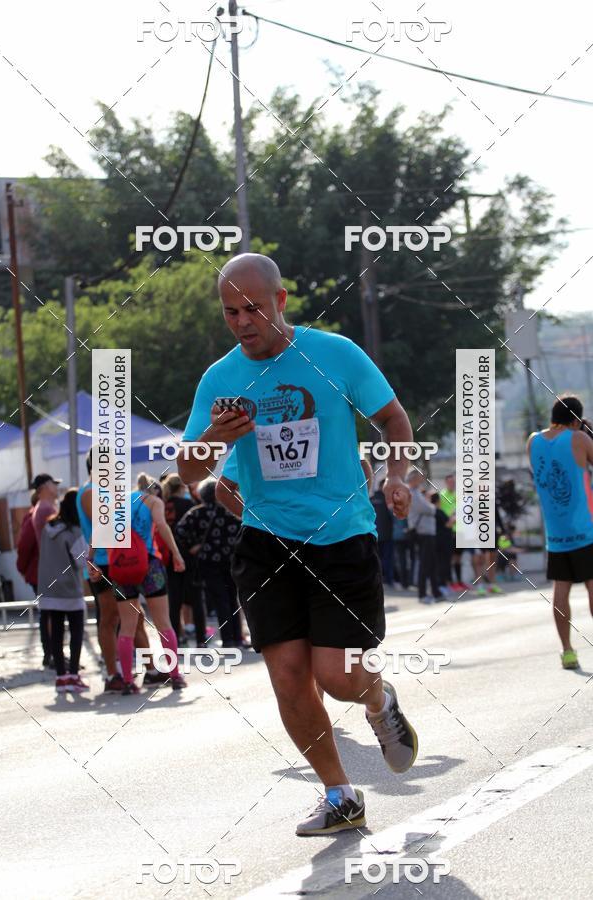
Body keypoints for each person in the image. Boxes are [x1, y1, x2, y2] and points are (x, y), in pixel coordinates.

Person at [178, 252, 418, 836]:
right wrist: (212, 439)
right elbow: (187, 472)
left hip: (340, 538)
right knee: (288, 676)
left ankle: (379, 699)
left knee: (337, 677)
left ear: (281, 301)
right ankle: (340, 794)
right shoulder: (220, 378)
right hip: (265, 542)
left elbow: (394, 421)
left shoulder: (335, 354)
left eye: (253, 309)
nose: (242, 322)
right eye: (231, 312)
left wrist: (396, 476)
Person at [78, 450, 159, 693]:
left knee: (136, 616)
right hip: (104, 563)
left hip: (120, 560)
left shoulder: (106, 491)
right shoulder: (90, 492)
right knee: (112, 617)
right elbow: (104, 524)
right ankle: (113, 674)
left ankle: (151, 670)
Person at [527, 394, 593, 670]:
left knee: (560, 591)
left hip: (556, 534)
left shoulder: (533, 441)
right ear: (576, 420)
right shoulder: (579, 439)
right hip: (585, 529)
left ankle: (567, 651)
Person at [111, 475, 187, 695]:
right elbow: (162, 526)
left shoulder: (120, 501)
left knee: (126, 627)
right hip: (149, 564)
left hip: (122, 565)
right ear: (156, 491)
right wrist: (176, 554)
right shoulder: (154, 502)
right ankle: (175, 676)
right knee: (164, 623)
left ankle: (127, 681)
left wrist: (92, 556)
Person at [176, 478, 245, 647]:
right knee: (233, 599)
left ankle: (227, 639)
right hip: (231, 561)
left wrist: (193, 545)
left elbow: (179, 531)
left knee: (220, 599)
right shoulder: (232, 512)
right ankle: (237, 637)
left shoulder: (196, 513)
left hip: (208, 562)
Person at [37, 489, 89, 693]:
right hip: (70, 589)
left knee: (56, 634)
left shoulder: (47, 528)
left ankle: (60, 677)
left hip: (48, 589)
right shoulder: (74, 531)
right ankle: (74, 675)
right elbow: (82, 561)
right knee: (76, 632)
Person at [161, 474, 196, 642]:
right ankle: (198, 633)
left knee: (173, 598)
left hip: (168, 555)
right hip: (188, 555)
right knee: (192, 595)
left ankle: (176, 633)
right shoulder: (188, 505)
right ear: (181, 487)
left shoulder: (163, 505)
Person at [31, 473, 61, 667]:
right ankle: (54, 656)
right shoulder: (46, 509)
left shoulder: (41, 508)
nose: (56, 487)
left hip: (49, 567)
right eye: (53, 483)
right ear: (43, 487)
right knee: (54, 614)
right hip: (53, 567)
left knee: (51, 613)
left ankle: (53, 654)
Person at [407, 470, 442, 604]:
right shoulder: (413, 492)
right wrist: (433, 507)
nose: (421, 479)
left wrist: (429, 505)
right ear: (414, 479)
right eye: (419, 477)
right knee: (425, 563)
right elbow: (426, 508)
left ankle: (436, 592)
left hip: (428, 532)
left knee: (431, 564)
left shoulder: (417, 492)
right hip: (422, 532)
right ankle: (422, 594)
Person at [440, 473, 468, 591]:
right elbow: (441, 513)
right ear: (446, 482)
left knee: (458, 558)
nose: (452, 484)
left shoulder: (459, 494)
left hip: (460, 530)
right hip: (449, 531)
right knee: (450, 558)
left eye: (454, 482)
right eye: (450, 482)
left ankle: (459, 581)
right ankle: (450, 582)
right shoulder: (442, 495)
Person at [371, 479, 394, 585]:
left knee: (376, 558)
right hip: (387, 534)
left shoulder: (370, 499)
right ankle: (388, 579)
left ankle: (377, 579)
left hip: (373, 534)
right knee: (387, 558)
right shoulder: (387, 500)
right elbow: (393, 516)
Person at [430, 492, 453, 598]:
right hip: (443, 541)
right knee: (444, 563)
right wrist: (453, 519)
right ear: (438, 501)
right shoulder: (439, 512)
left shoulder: (430, 511)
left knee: (438, 563)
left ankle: (441, 584)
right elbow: (448, 524)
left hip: (435, 540)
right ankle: (442, 584)